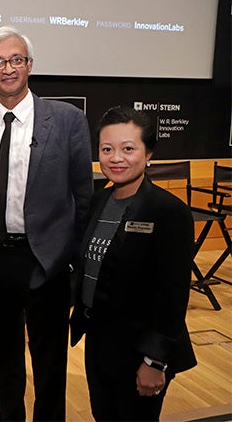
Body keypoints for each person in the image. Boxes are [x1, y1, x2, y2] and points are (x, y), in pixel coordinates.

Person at [0, 26, 93, 421]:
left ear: (30, 65)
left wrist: (72, 262)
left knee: (50, 361)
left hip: (47, 261)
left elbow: (83, 196)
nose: (8, 68)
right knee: (3, 361)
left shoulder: (67, 120)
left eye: (16, 59)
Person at [69, 106, 197, 421]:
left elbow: (173, 294)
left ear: (148, 152)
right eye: (107, 149)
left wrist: (155, 362)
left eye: (128, 149)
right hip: (99, 340)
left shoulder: (168, 211)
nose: (116, 158)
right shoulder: (99, 200)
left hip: (140, 349)